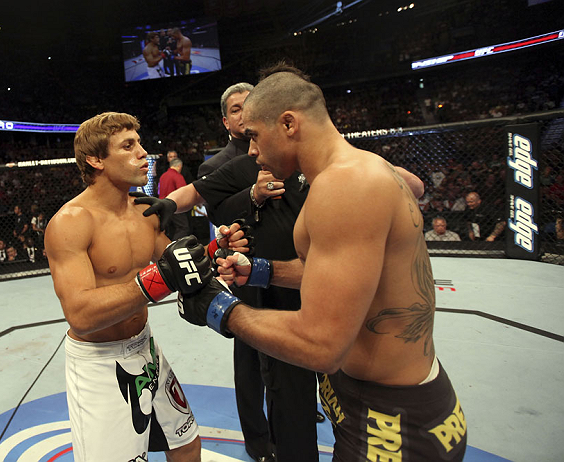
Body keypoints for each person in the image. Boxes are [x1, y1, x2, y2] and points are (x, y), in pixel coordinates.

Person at [176, 64, 468, 461]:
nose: (252, 151)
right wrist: (262, 270)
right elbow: (338, 275)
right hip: (365, 401)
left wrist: (218, 308)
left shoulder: (346, 184)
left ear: (289, 124)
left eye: (256, 136)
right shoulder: (340, 175)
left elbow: (322, 344)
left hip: (394, 420)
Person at [45, 111, 220, 462]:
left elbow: (179, 268)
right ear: (96, 160)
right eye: (128, 146)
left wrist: (220, 250)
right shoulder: (70, 222)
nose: (143, 153)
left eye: (139, 143)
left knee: (186, 446)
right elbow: (80, 314)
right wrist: (158, 280)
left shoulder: (146, 211)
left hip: (145, 347)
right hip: (99, 362)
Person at [159, 158, 191, 240]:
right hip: (175, 206)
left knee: (168, 230)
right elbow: (183, 192)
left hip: (162, 206)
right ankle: (175, 247)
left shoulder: (163, 176)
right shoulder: (177, 176)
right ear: (179, 166)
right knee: (183, 227)